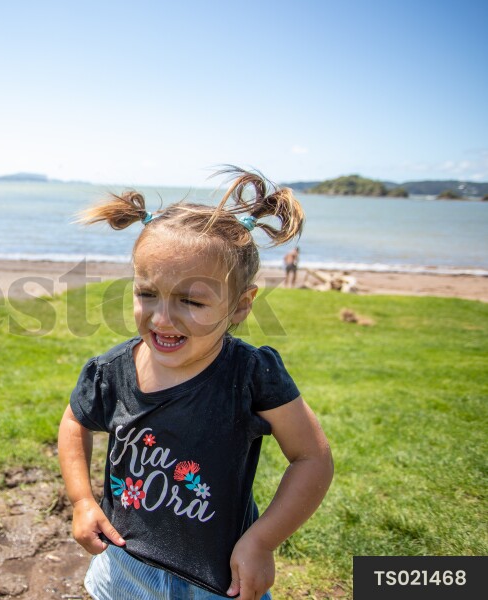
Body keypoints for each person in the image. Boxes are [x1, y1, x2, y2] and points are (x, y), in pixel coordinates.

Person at [58, 168, 333, 600]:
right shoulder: (110, 371)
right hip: (124, 569)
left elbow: (311, 457)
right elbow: (75, 422)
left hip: (222, 578)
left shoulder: (250, 375)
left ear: (241, 305)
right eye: (148, 294)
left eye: (191, 301)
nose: (163, 318)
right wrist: (81, 501)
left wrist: (261, 541)